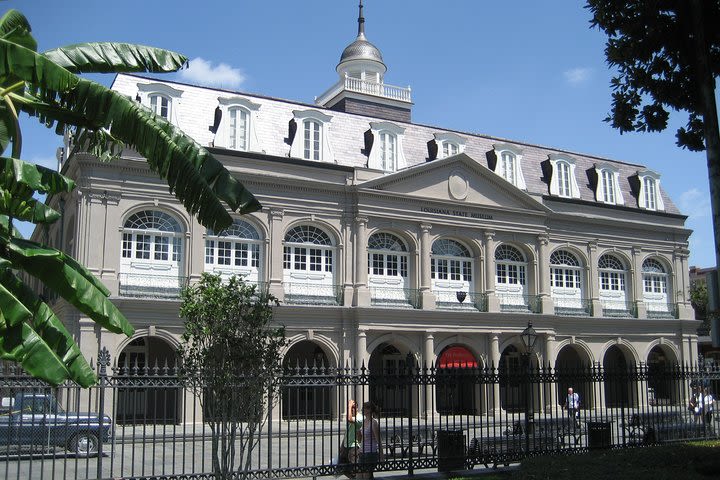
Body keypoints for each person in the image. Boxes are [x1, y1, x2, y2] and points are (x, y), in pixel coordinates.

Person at [357, 402, 383, 479]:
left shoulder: (374, 423)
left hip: (370, 453)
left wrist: (381, 455)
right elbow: (361, 439)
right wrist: (358, 434)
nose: (362, 410)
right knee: (358, 476)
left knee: (366, 476)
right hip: (362, 452)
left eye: (364, 408)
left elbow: (378, 440)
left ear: (369, 410)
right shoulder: (363, 422)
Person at [343, 400, 363, 477]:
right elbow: (347, 432)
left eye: (353, 407)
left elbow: (349, 419)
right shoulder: (352, 416)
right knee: (342, 467)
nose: (352, 409)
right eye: (351, 408)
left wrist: (349, 406)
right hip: (346, 445)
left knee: (354, 468)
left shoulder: (359, 417)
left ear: (357, 408)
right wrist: (342, 445)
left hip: (354, 446)